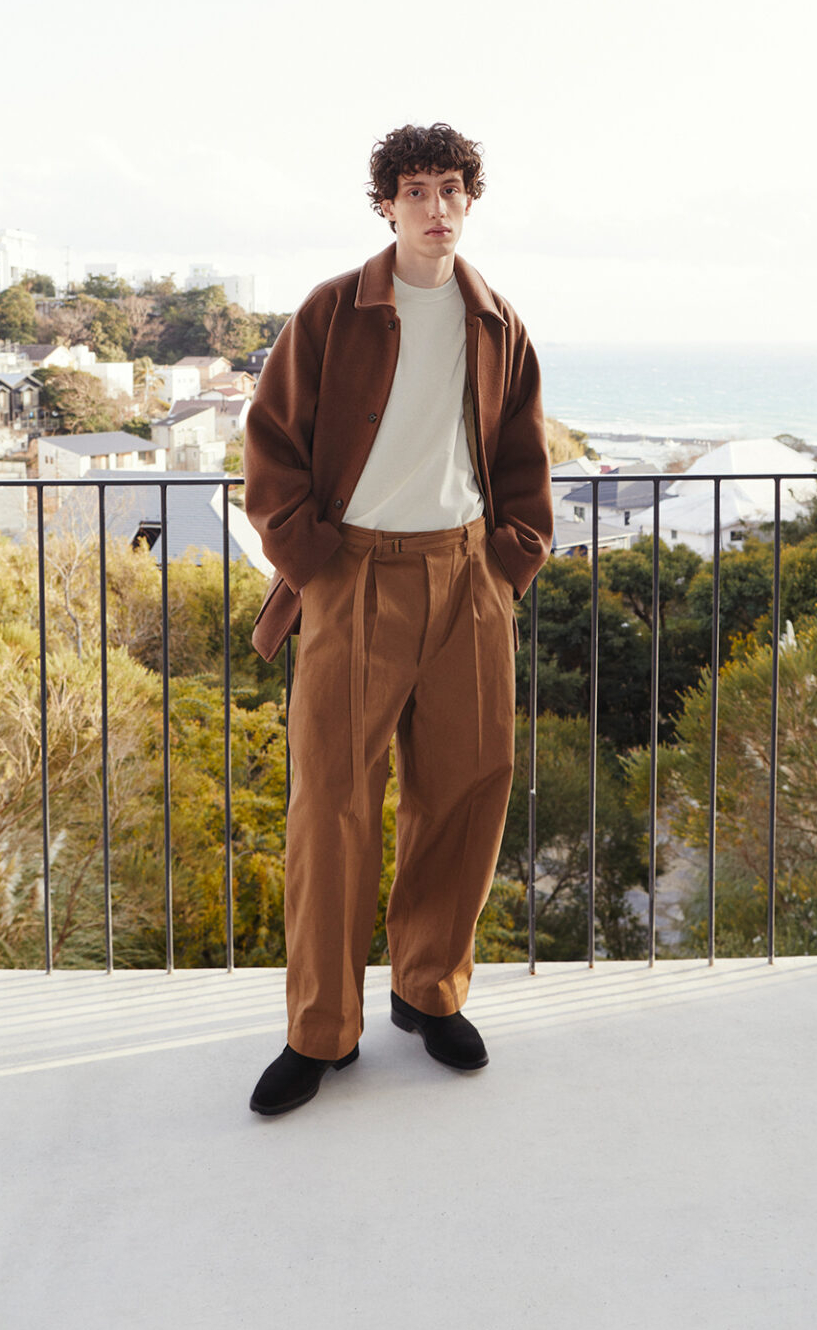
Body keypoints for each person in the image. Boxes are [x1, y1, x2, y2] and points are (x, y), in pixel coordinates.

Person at [243, 123, 553, 1116]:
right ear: (385, 205)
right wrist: (311, 561)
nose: (434, 207)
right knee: (332, 801)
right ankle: (320, 1030)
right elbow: (270, 444)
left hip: (468, 577)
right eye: (414, 190)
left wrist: (509, 562)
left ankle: (428, 992)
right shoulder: (332, 312)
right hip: (354, 576)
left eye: (449, 188)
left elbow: (523, 455)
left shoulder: (495, 322)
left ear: (469, 200)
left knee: (467, 785)